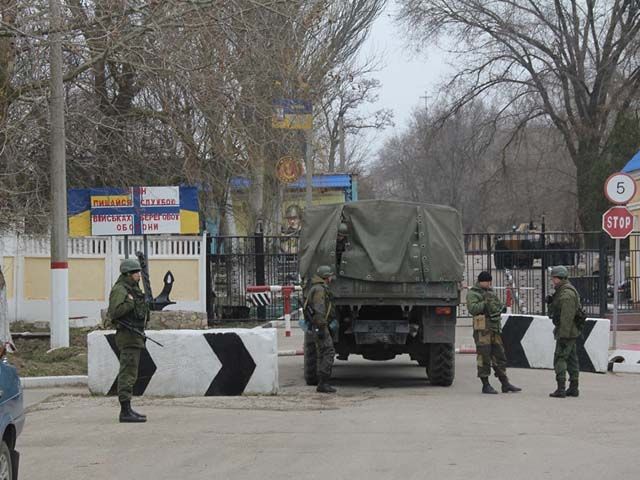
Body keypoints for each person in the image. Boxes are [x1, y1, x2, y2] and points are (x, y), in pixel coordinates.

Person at [108, 258, 149, 423]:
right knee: (127, 373)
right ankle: (125, 411)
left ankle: (128, 409)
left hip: (135, 336)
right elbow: (115, 311)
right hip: (128, 337)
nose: (139, 275)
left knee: (131, 373)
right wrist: (130, 304)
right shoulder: (121, 290)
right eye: (136, 272)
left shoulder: (132, 289)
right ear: (128, 274)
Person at [467, 271, 521, 394]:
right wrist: (485, 303)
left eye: (490, 282)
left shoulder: (490, 292)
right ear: (481, 281)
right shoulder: (473, 294)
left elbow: (498, 306)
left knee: (499, 356)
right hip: (482, 330)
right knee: (484, 356)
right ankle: (485, 384)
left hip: (494, 328)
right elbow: (473, 309)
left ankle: (505, 383)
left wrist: (496, 305)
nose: (489, 284)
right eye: (487, 281)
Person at [546, 266, 581, 398]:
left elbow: (566, 317)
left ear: (559, 278)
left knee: (560, 358)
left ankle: (561, 389)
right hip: (570, 332)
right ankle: (573, 388)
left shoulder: (566, 295)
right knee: (572, 359)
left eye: (553, 278)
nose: (552, 280)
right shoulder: (562, 291)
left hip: (566, 332)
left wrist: (563, 335)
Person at [306, 265, 337, 393]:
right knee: (329, 351)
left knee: (321, 353)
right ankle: (323, 382)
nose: (331, 278)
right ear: (325, 277)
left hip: (319, 326)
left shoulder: (317, 288)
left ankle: (321, 382)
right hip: (320, 326)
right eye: (329, 275)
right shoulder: (319, 290)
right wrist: (322, 327)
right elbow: (319, 310)